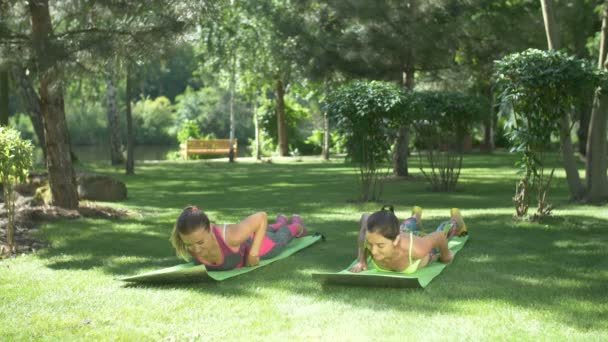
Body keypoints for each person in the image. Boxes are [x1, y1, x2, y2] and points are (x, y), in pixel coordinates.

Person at [170, 206, 307, 271]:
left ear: (211, 229)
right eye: (189, 244)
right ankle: (280, 221)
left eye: (200, 242)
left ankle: (296, 225)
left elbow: (261, 216)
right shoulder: (190, 243)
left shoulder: (232, 236)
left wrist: (253, 253)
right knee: (269, 229)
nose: (196, 249)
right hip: (249, 232)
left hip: (256, 242)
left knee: (280, 238)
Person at [349, 205, 467, 274]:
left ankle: (456, 219)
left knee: (445, 230)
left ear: (395, 240)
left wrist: (446, 257)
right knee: (406, 226)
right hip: (403, 232)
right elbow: (365, 217)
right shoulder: (373, 238)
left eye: (380, 246)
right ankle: (416, 216)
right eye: (369, 244)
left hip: (418, 243)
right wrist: (361, 260)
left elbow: (440, 237)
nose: (373, 252)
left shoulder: (418, 249)